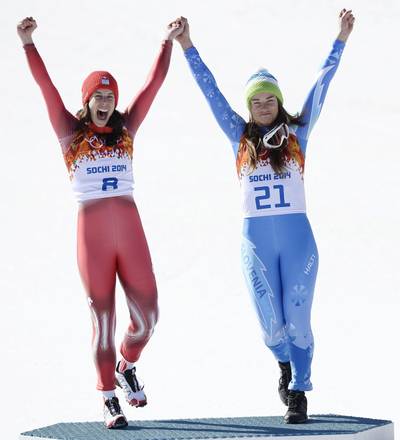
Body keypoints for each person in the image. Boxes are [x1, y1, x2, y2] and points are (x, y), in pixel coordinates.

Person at [174, 10, 354, 424]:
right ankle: (284, 367)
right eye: (256, 101)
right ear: (249, 108)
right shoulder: (239, 137)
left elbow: (322, 85)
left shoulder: (297, 134)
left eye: (269, 99)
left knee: (298, 317)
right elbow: (211, 92)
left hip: (297, 240)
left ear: (279, 101)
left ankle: (300, 391)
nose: (263, 107)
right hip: (255, 243)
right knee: (272, 328)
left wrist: (340, 39)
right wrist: (187, 46)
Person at [17, 16, 184, 429]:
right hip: (91, 232)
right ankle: (108, 396)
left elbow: (152, 88)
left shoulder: (126, 129)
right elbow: (47, 90)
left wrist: (166, 41)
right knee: (104, 318)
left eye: (110, 95)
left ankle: (127, 365)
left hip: (128, 226)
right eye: (99, 96)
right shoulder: (70, 134)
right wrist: (28, 44)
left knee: (148, 315)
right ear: (88, 100)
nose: (106, 102)